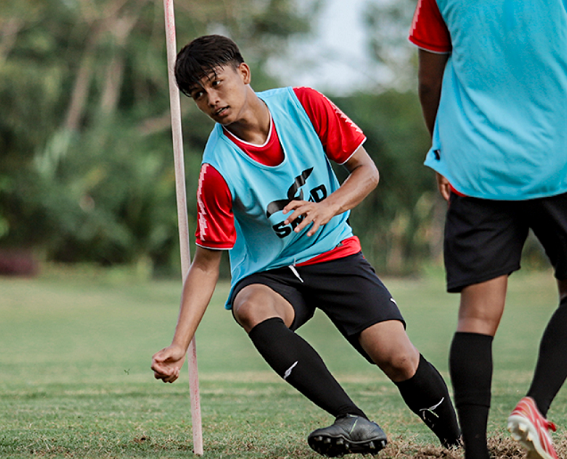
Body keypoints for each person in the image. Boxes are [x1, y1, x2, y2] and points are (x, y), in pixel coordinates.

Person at [151, 34, 461, 457]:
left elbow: (366, 172)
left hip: (333, 252)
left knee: (398, 358)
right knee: (251, 306)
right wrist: (179, 344)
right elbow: (206, 264)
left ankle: (457, 444)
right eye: (197, 95)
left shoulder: (304, 104)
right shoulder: (217, 169)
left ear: (243, 73)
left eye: (216, 82)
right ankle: (351, 419)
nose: (211, 100)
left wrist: (327, 208)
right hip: (271, 273)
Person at [409, 1, 567, 458]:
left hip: (477, 166)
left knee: (476, 315)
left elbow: (428, 81)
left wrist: (444, 147)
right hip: (558, 160)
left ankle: (475, 452)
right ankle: (534, 406)